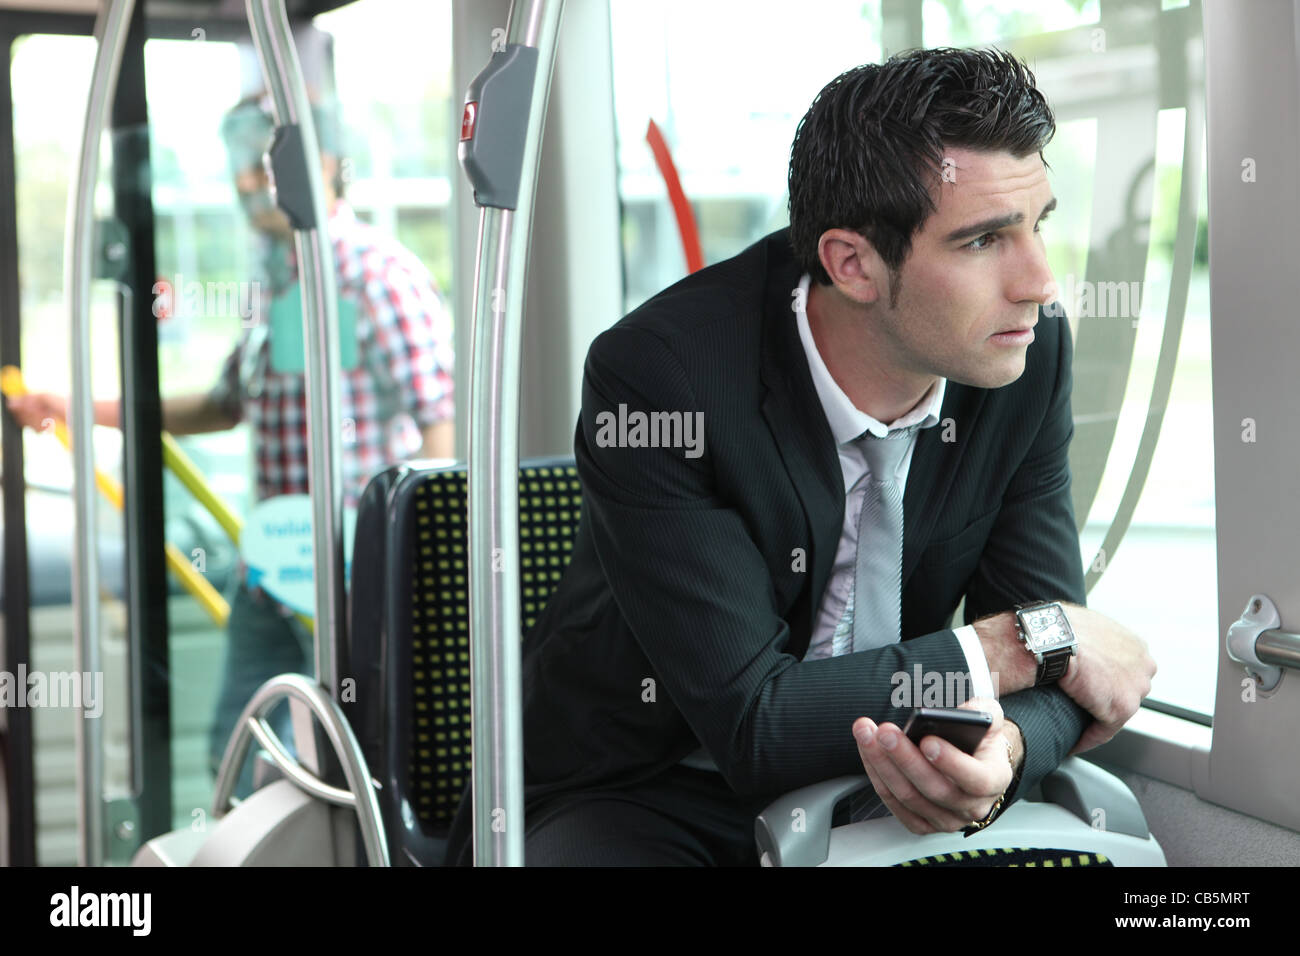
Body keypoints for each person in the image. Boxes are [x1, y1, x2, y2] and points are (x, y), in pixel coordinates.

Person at [444, 46, 1155, 866]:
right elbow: (755, 721)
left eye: (1039, 225)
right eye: (983, 241)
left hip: (882, 779)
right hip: (649, 786)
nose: (1039, 281)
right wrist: (1024, 644)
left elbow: (1064, 669)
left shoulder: (1023, 357)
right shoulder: (661, 378)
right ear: (851, 263)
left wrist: (1005, 758)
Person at [8, 94, 455, 793]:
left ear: (327, 164)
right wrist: (70, 408)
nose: (246, 182)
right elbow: (219, 407)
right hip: (273, 570)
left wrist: (418, 563)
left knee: (354, 759)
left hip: (351, 572)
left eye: (262, 163)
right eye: (240, 165)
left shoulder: (376, 276)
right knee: (241, 752)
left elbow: (441, 420)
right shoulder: (274, 283)